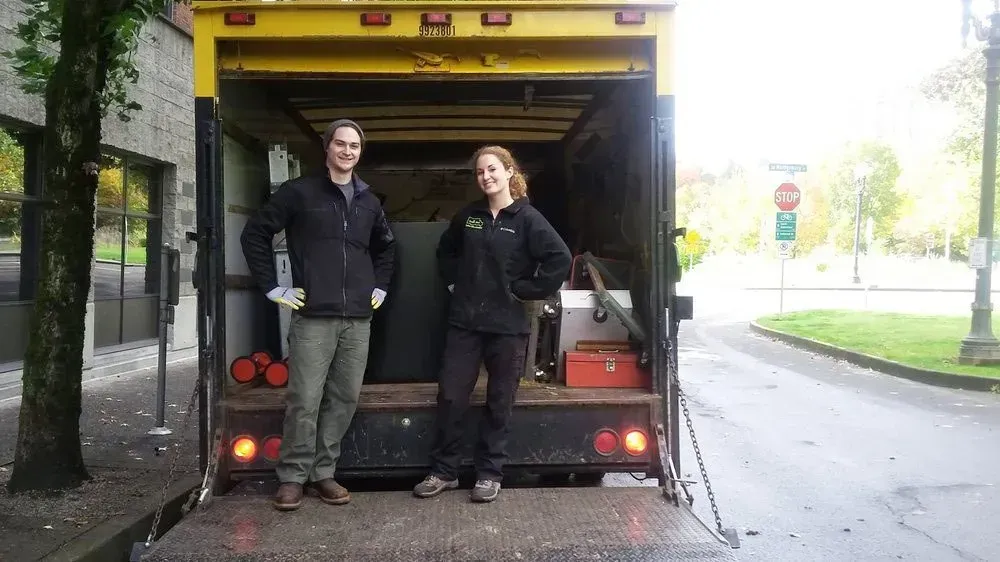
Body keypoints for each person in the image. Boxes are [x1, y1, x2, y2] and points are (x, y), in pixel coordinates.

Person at [240, 119, 396, 511]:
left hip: (358, 319)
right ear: (326, 148)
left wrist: (379, 285)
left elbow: (386, 249)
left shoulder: (369, 201)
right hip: (312, 317)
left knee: (344, 398)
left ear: (361, 152)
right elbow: (255, 233)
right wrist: (273, 288)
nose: (347, 151)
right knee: (305, 399)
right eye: (340, 144)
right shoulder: (300, 193)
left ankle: (323, 473)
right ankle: (292, 477)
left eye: (354, 146)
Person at [413, 145, 571, 503]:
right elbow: (446, 250)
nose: (486, 176)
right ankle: (444, 471)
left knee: (500, 401)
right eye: (480, 171)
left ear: (509, 172)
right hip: (465, 322)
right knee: (452, 396)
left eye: (493, 169)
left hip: (507, 326)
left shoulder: (527, 218)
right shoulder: (469, 216)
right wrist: (455, 283)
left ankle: (489, 473)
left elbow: (559, 258)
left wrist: (526, 290)